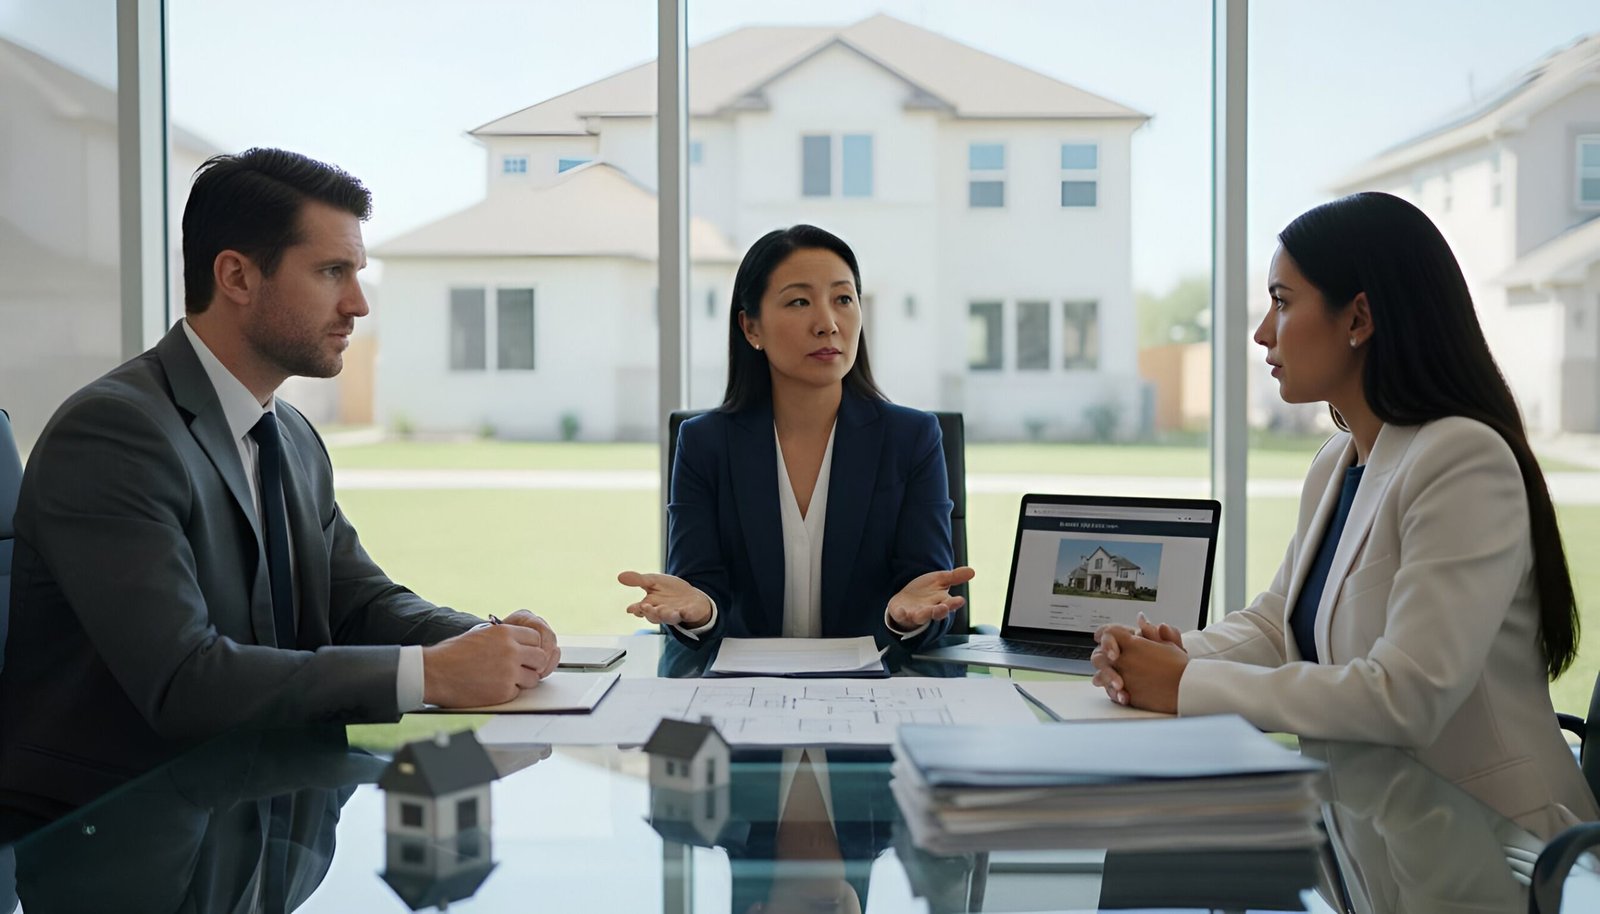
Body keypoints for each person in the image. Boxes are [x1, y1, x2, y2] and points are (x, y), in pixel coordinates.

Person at [0, 148, 560, 814]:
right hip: (123, 830)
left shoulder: (289, 433)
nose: (358, 304)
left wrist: (486, 643)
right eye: (332, 272)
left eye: (357, 274)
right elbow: (184, 680)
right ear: (237, 275)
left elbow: (356, 602)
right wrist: (433, 674)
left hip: (265, 811)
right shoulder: (113, 435)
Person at [1090, 191, 1597, 836]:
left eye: (1282, 302)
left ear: (1358, 317)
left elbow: (1405, 695)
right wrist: (1167, 654)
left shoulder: (1462, 458)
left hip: (1500, 851)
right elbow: (1280, 626)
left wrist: (1188, 683)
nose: (1262, 333)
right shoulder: (1338, 462)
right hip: (1384, 845)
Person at [618, 225, 973, 650]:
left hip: (873, 690)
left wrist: (906, 617)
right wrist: (700, 610)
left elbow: (926, 591)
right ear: (751, 328)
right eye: (799, 301)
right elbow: (700, 590)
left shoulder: (912, 438)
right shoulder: (704, 444)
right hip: (743, 694)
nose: (827, 324)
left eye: (843, 299)